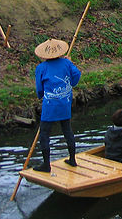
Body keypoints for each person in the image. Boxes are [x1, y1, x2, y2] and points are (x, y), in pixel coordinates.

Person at [33, 38, 81, 172]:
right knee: (67, 130)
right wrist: (70, 66)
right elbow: (76, 75)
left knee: (44, 134)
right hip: (65, 102)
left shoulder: (41, 68)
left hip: (50, 105)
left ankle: (46, 165)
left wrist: (40, 95)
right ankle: (72, 159)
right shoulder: (67, 63)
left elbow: (39, 89)